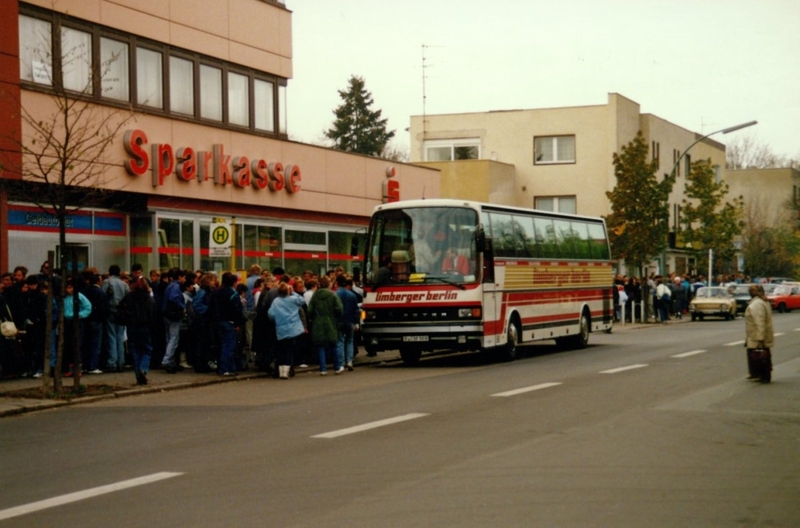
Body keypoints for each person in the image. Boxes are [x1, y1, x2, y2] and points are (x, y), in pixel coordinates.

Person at [119, 278, 157, 385]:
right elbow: (153, 314)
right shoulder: (149, 299)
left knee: (135, 350)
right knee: (147, 349)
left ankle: (137, 373)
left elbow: (121, 308)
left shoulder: (129, 297)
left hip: (132, 326)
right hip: (145, 327)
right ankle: (143, 369)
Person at [268, 282, 306, 379]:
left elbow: (271, 314)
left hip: (281, 328)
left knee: (281, 350)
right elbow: (302, 300)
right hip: (293, 328)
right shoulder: (293, 299)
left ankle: (281, 372)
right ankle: (286, 371)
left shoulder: (276, 301)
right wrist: (293, 292)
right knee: (289, 350)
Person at [210, 272, 245, 376]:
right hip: (229, 322)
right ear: (234, 282)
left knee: (220, 345)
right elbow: (237, 310)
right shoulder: (233, 294)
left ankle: (226, 367)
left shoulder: (216, 292)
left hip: (217, 321)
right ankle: (226, 368)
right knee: (229, 346)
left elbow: (211, 307)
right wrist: (238, 323)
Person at [308, 276, 343, 375]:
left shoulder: (315, 296)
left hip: (318, 322)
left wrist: (314, 318)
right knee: (333, 345)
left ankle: (323, 369)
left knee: (320, 346)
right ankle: (337, 367)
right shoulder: (333, 295)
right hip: (330, 321)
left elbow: (309, 311)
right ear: (329, 284)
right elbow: (339, 309)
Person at [102, 265, 130, 373]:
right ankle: (121, 361)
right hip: (121, 312)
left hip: (111, 310)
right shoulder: (124, 284)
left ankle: (112, 362)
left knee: (111, 336)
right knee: (120, 337)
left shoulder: (106, 282)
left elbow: (103, 296)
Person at [744, 284, 774, 383]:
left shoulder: (756, 304)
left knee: (759, 355)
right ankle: (757, 374)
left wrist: (760, 339)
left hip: (756, 335)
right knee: (758, 355)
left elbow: (759, 322)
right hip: (755, 335)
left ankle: (762, 375)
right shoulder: (762, 301)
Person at [160, 268, 186, 373]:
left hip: (166, 314)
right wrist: (182, 306)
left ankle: (170, 361)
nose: (184, 279)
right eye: (183, 277)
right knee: (174, 339)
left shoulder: (169, 285)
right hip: (173, 315)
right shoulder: (176, 286)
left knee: (169, 338)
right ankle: (167, 361)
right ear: (179, 277)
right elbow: (173, 298)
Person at [335, 275, 360, 371]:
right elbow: (356, 310)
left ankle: (341, 363)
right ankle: (349, 361)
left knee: (340, 341)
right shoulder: (352, 295)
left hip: (339, 320)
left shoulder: (336, 294)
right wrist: (356, 322)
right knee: (350, 341)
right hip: (350, 321)